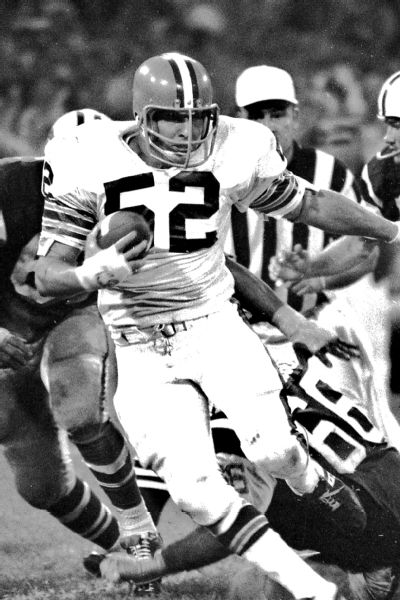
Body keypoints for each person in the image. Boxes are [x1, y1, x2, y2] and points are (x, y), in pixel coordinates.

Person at [35, 52, 400, 600]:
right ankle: (312, 591)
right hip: (139, 344)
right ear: (143, 116)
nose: (187, 133)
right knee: (199, 493)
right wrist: (92, 272)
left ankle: (313, 482)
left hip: (214, 325)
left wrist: (390, 229)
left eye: (197, 118)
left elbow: (309, 204)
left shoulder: (235, 146)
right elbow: (48, 275)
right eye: (171, 119)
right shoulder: (87, 154)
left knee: (275, 450)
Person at [0, 111, 160, 593]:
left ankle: (140, 537)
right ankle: (119, 545)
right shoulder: (10, 188)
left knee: (79, 407)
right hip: (8, 321)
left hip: (74, 318)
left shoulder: (134, 197)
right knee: (41, 485)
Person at [100, 344, 400, 600]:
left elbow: (229, 521)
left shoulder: (219, 409)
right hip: (384, 477)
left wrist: (153, 566)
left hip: (368, 521)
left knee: (251, 587)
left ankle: (370, 567)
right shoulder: (262, 359)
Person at [231, 65, 398, 442]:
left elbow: (365, 252)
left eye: (277, 114)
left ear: (295, 115)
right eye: (256, 115)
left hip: (315, 328)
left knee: (364, 433)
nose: (267, 126)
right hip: (241, 336)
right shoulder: (218, 174)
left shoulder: (329, 172)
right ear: (239, 117)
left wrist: (319, 277)